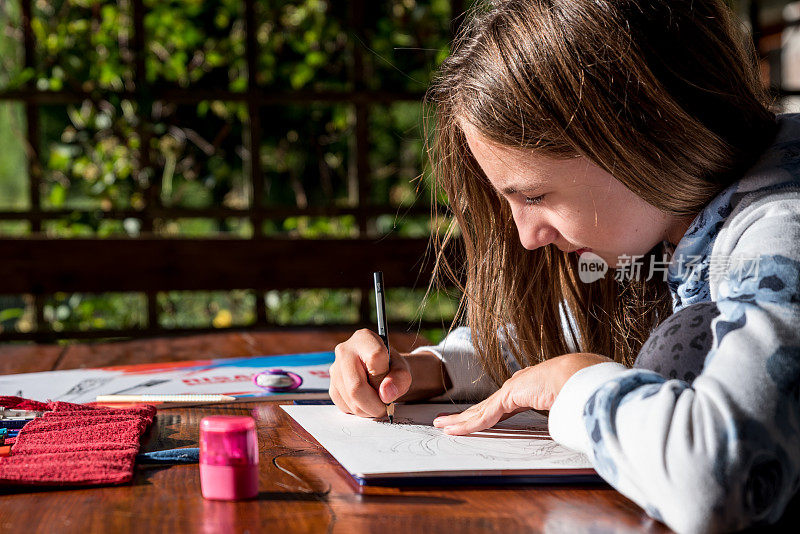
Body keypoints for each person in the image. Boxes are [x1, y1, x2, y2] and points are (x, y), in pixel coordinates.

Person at [328, 1, 800, 531]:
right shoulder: (676, 232)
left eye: (535, 194)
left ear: (638, 132)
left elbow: (720, 483)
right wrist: (430, 371)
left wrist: (577, 386)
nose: (527, 238)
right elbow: (554, 342)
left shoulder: (782, 232)